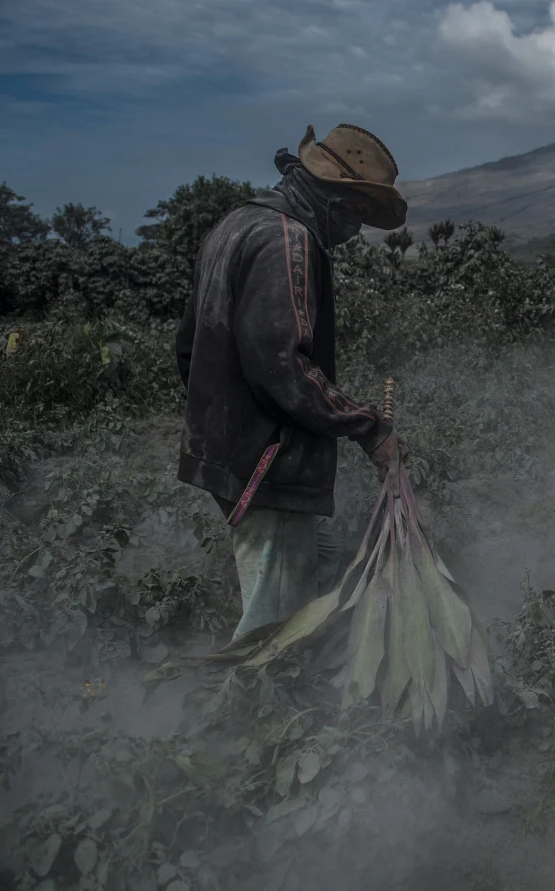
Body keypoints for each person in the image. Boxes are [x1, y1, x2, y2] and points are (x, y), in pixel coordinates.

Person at [175, 124, 410, 641]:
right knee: (274, 632)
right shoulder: (289, 240)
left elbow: (189, 347)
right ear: (333, 193)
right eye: (357, 210)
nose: (356, 226)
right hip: (268, 465)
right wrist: (369, 427)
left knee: (323, 572)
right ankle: (250, 714)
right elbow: (285, 368)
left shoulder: (238, 223)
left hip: (236, 456)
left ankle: (315, 683)